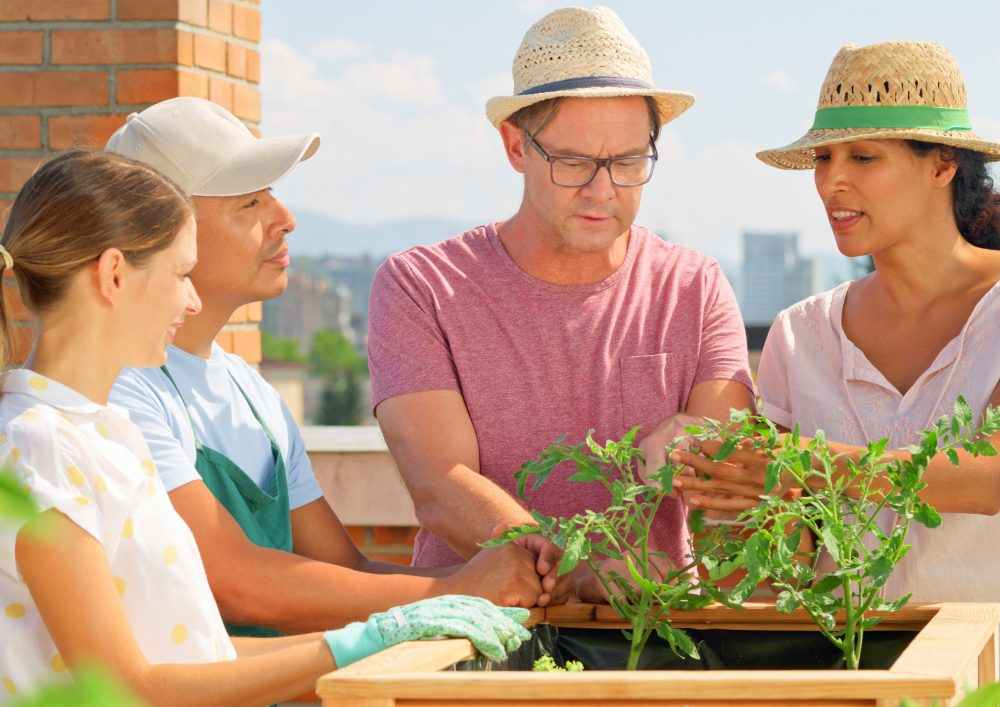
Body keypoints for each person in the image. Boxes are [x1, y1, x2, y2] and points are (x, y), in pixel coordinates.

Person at [0, 150, 529, 705]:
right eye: (181, 274)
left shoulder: (106, 434)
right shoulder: (39, 445)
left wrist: (384, 634)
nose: (193, 298)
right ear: (112, 275)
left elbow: (203, 657)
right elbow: (131, 689)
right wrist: (362, 640)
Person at [105, 98, 544, 639]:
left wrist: (499, 577)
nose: (285, 220)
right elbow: (236, 583)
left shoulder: (250, 393)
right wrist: (458, 590)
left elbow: (346, 574)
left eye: (273, 197)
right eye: (249, 203)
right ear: (163, 230)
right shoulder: (118, 389)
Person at [367, 6, 754, 602]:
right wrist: (571, 570)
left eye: (628, 162)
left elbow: (727, 473)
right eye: (573, 163)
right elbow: (441, 485)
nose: (604, 191)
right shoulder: (423, 285)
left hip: (652, 636)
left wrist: (692, 444)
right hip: (482, 632)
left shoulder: (694, 287)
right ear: (515, 146)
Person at [671, 41, 1000, 602]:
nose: (831, 183)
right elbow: (776, 560)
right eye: (824, 159)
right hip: (845, 669)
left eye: (863, 158)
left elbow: (988, 480)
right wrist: (720, 483)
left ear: (943, 164)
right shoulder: (801, 333)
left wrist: (798, 464)